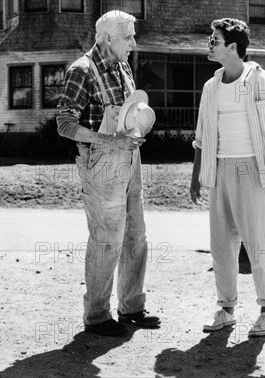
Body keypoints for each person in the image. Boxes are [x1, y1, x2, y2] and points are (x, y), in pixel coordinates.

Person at [190, 18, 265, 336]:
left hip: (254, 172)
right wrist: (195, 178)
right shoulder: (211, 87)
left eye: (214, 40)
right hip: (218, 172)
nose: (209, 44)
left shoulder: (261, 81)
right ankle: (226, 309)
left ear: (232, 47)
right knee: (221, 246)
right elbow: (201, 137)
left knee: (257, 244)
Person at [56, 10, 160, 337]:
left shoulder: (122, 65)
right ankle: (97, 315)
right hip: (101, 160)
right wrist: (108, 139)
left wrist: (134, 130)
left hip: (130, 157)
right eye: (128, 37)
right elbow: (64, 124)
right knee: (106, 240)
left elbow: (126, 113)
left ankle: (131, 306)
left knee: (135, 235)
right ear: (108, 38)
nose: (133, 42)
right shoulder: (82, 71)